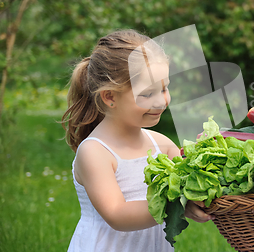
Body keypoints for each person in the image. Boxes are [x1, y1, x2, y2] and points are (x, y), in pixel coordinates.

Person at [61, 30, 213, 252]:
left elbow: (188, 182)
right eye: (148, 93)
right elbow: (117, 214)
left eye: (164, 88)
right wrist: (175, 203)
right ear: (110, 96)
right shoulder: (95, 152)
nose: (162, 101)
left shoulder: (162, 145)